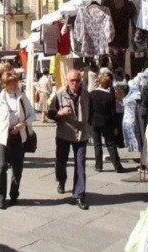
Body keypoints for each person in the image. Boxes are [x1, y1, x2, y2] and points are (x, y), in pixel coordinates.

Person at [0, 70, 36, 209]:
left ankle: (14, 194)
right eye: (11, 83)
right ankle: (1, 197)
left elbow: (32, 115)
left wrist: (22, 124)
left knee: (17, 168)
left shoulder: (22, 97)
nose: (14, 85)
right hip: (2, 137)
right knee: (1, 166)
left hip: (19, 136)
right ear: (4, 84)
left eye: (15, 82)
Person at [47, 69, 90, 210]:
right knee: (61, 162)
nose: (75, 83)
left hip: (81, 135)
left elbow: (93, 112)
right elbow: (51, 114)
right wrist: (61, 113)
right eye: (72, 80)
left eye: (77, 80)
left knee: (80, 165)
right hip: (64, 134)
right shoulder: (59, 94)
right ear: (67, 81)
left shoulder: (86, 94)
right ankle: (61, 180)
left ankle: (79, 195)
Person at [89, 74, 126, 173]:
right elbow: (112, 113)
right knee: (111, 144)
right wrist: (115, 126)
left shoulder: (92, 94)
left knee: (97, 144)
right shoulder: (110, 97)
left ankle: (98, 166)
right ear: (108, 84)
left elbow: (89, 109)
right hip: (107, 123)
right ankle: (117, 166)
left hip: (94, 122)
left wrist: (89, 121)